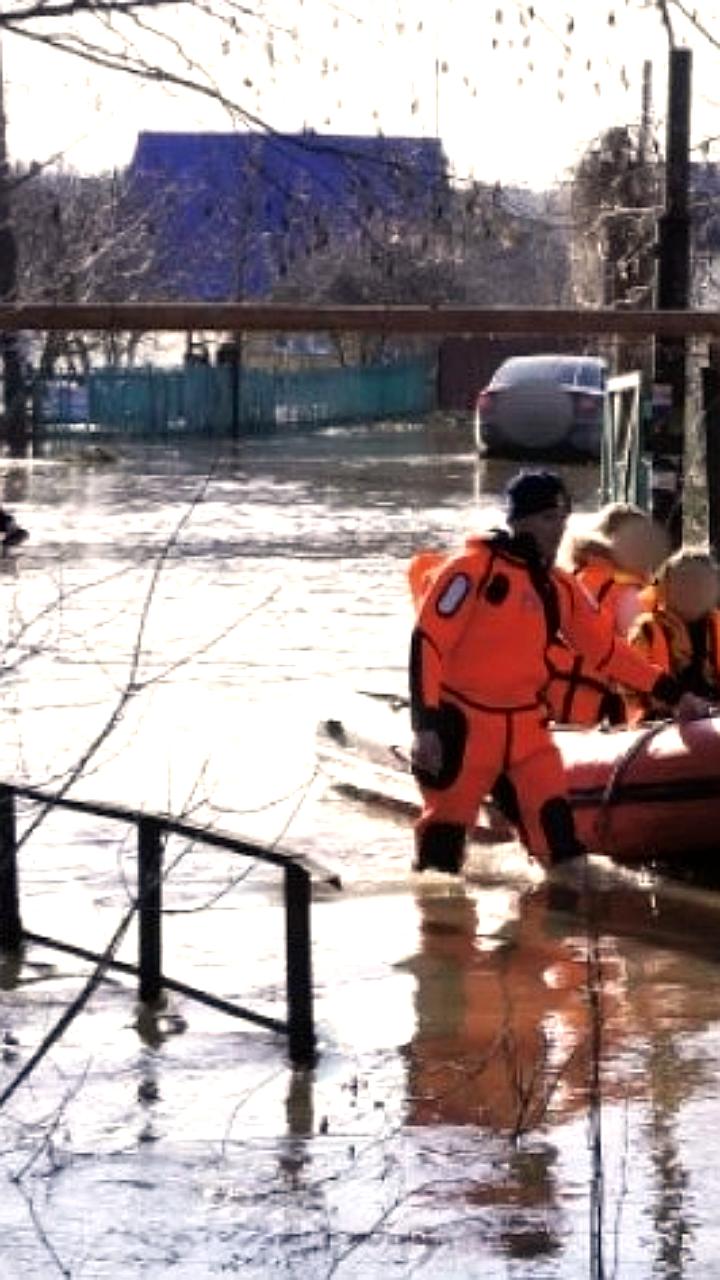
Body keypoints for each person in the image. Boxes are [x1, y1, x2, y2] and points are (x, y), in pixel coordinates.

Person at [409, 469, 706, 875]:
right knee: (441, 858)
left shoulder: (558, 587)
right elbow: (428, 642)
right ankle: (442, 934)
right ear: (518, 520)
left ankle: (555, 932)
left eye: (564, 520)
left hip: (526, 731)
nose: (558, 530)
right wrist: (425, 726)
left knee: (564, 852)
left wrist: (676, 696)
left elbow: (606, 653)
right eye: (548, 519)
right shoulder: (470, 571)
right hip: (464, 723)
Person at [544, 502, 667, 725]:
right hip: (598, 713)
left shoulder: (571, 579)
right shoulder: (627, 594)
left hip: (550, 704)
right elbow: (637, 658)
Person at [626, 549, 720, 721]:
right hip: (662, 724)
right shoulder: (647, 629)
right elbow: (631, 690)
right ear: (667, 587)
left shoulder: (716, 625)